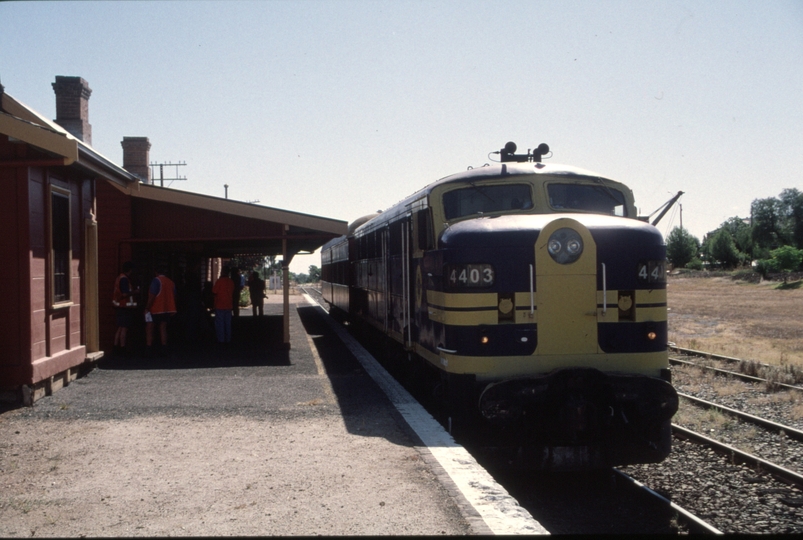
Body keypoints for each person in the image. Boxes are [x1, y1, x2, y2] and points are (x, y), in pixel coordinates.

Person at [145, 265, 177, 354]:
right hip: (167, 309)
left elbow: (152, 296)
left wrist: (147, 307)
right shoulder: (170, 282)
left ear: (156, 272)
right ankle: (164, 348)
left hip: (155, 308)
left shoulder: (156, 281)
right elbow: (174, 296)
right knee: (163, 328)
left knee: (149, 327)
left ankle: (149, 348)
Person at [112, 261, 138, 355]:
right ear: (130, 270)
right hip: (124, 307)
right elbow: (125, 294)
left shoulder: (120, 278)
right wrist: (135, 292)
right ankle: (122, 348)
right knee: (124, 328)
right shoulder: (124, 279)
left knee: (120, 327)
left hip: (119, 306)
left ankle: (116, 346)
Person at [212, 266, 235, 344]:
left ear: (222, 272)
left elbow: (214, 292)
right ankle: (228, 339)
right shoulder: (231, 282)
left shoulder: (219, 281)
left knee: (220, 323)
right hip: (228, 305)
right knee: (228, 323)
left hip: (220, 305)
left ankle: (221, 340)